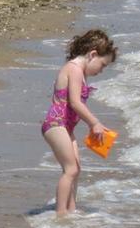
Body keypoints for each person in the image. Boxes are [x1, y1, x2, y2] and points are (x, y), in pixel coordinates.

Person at [41, 29, 117, 215]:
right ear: (92, 54)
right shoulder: (74, 69)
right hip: (55, 124)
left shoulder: (81, 72)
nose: (101, 70)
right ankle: (61, 215)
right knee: (70, 169)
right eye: (102, 64)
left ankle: (71, 210)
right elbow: (74, 102)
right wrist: (94, 123)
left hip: (66, 127)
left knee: (76, 169)